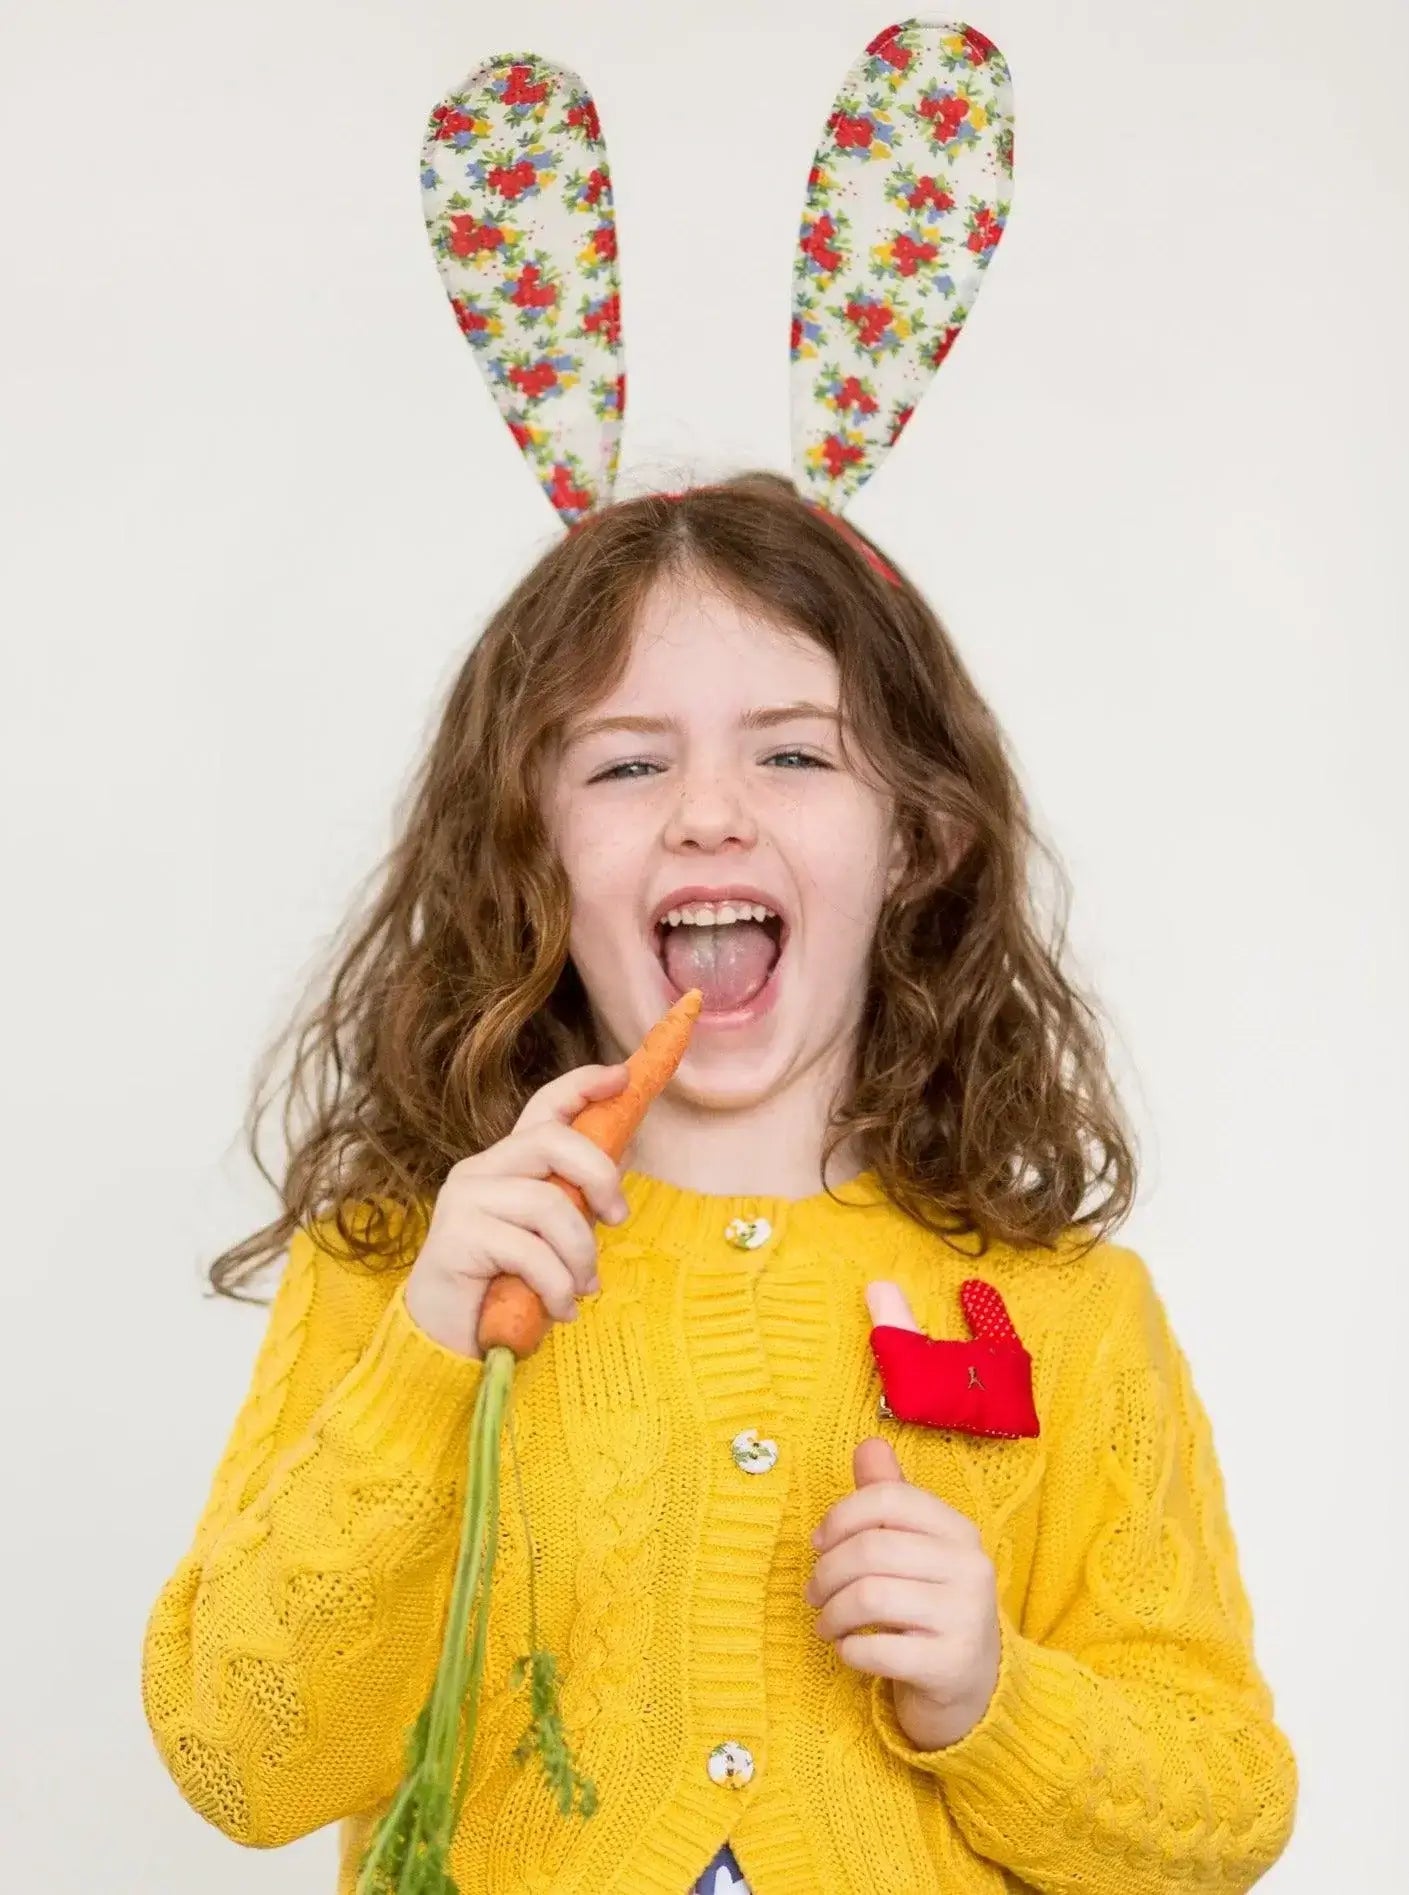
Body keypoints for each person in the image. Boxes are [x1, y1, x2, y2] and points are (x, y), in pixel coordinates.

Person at [141, 474, 1298, 1893]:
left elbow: (1222, 1817)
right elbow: (244, 1764)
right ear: (531, 846)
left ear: (916, 837)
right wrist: (423, 1367)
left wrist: (988, 1700)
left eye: (794, 758)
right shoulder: (399, 1277)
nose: (705, 814)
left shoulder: (1065, 1308)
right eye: (625, 764)